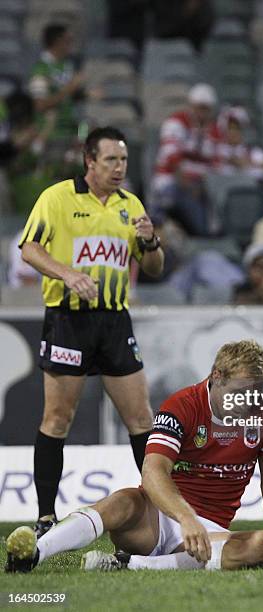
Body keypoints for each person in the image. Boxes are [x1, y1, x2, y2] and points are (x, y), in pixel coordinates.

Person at [5, 340, 263, 573]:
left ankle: (131, 566)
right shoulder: (182, 405)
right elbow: (153, 472)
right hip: (157, 519)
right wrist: (184, 517)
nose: (245, 402)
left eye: (253, 392)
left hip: (208, 531)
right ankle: (35, 552)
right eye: (238, 393)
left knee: (261, 545)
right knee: (122, 500)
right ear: (216, 376)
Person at [18, 126, 165, 538]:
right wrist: (67, 275)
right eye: (111, 161)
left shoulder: (130, 204)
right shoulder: (58, 198)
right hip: (68, 319)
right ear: (90, 162)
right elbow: (30, 248)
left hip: (115, 322)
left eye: (123, 161)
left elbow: (154, 268)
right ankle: (46, 516)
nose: (120, 168)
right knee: (58, 418)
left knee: (141, 418)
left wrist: (151, 242)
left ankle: (159, 509)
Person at [149, 83, 221, 236]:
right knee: (180, 198)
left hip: (200, 184)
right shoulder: (175, 122)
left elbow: (215, 161)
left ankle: (210, 233)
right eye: (199, 108)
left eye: (206, 109)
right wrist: (189, 185)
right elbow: (172, 159)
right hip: (171, 180)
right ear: (191, 106)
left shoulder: (213, 128)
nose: (202, 113)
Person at [214, 107, 263, 180]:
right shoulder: (217, 149)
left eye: (237, 129)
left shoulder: (250, 150)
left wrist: (246, 163)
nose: (233, 132)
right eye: (230, 129)